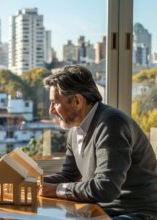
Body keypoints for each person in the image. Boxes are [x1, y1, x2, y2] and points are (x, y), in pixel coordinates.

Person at [39, 65, 157, 218]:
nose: (51, 110)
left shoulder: (112, 124)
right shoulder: (75, 130)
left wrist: (56, 189)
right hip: (103, 210)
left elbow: (106, 188)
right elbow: (69, 176)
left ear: (77, 101)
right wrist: (31, 182)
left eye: (55, 102)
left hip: (136, 212)